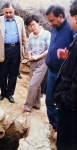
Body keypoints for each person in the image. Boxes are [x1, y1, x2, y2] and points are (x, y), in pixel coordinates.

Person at [0, 2, 27, 103]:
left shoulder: (20, 20)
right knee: (2, 72)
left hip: (16, 49)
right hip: (3, 49)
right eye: (6, 12)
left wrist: (26, 49)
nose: (8, 14)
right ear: (3, 12)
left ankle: (10, 93)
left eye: (10, 12)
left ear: (14, 11)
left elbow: (24, 36)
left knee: (13, 73)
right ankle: (3, 92)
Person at [45, 5, 75, 131]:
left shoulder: (71, 29)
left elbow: (74, 52)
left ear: (61, 16)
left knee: (58, 102)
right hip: (50, 70)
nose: (50, 24)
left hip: (61, 74)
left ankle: (59, 128)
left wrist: (67, 54)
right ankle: (54, 125)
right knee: (48, 100)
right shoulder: (53, 28)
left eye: (52, 20)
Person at [52, 2, 77, 149]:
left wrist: (67, 99)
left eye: (70, 16)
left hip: (71, 106)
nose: (69, 19)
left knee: (67, 142)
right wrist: (69, 55)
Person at [23, 15, 51, 112]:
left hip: (43, 61)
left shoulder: (46, 34)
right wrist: (30, 55)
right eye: (29, 26)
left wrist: (38, 57)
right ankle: (36, 104)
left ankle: (27, 107)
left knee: (32, 84)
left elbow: (49, 49)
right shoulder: (31, 35)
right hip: (33, 61)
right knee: (37, 84)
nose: (32, 27)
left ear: (38, 23)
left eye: (33, 24)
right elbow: (29, 48)